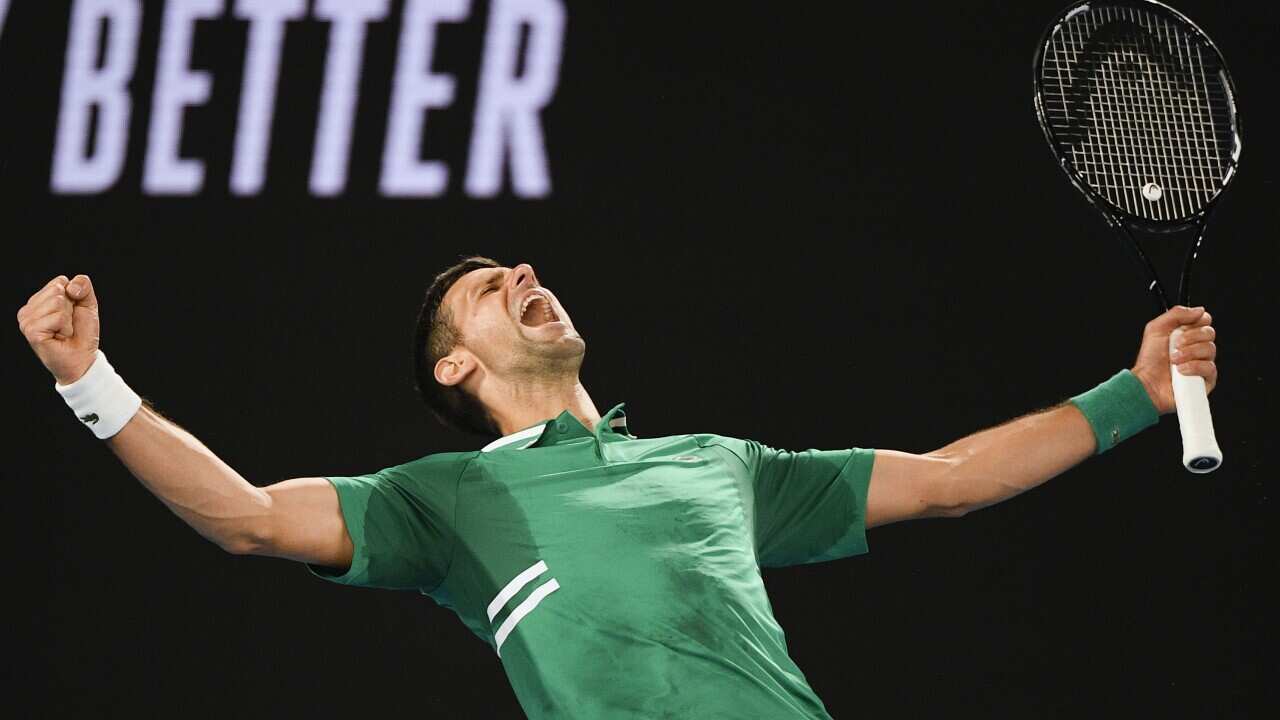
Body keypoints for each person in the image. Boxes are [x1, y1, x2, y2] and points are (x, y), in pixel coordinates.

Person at [16, 259, 1218, 719]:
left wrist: (1130, 395)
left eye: (523, 266)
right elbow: (244, 517)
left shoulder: (718, 466)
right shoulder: (444, 499)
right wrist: (91, 381)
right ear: (455, 364)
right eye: (490, 286)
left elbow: (953, 482)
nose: (526, 272)